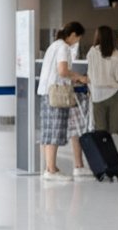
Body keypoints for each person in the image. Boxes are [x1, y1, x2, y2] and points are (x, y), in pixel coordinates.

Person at [37, 21, 89, 180]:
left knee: (48, 131)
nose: (77, 41)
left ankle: (50, 168)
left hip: (47, 93)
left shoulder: (54, 45)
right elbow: (63, 71)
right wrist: (80, 77)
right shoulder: (63, 48)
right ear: (73, 34)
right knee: (55, 131)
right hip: (57, 94)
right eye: (78, 37)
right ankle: (51, 170)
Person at [86, 24, 118, 134]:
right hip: (113, 93)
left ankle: (102, 150)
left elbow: (90, 74)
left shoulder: (92, 52)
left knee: (100, 129)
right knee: (112, 130)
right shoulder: (116, 53)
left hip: (97, 94)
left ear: (97, 36)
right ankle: (110, 150)